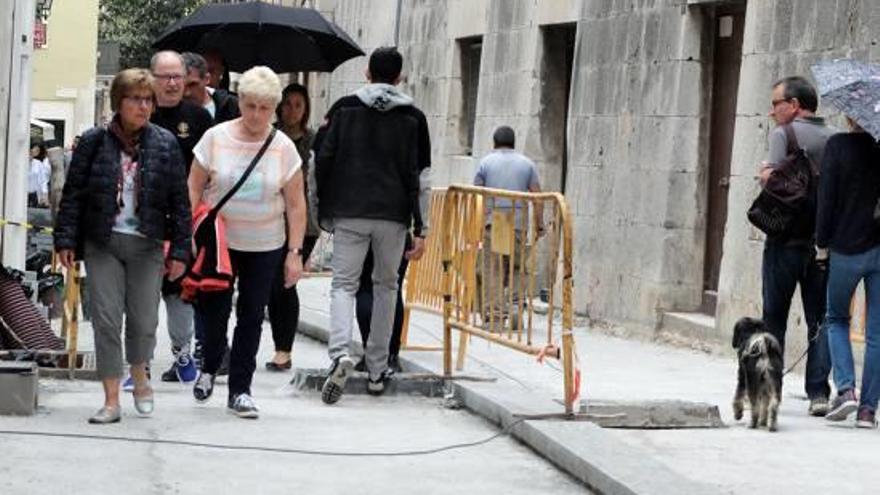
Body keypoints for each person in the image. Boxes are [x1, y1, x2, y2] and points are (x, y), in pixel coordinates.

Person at [53, 68, 191, 424]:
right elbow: (74, 195)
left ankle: (140, 374)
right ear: (119, 102)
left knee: (144, 320)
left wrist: (179, 251)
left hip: (146, 244)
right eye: (135, 99)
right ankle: (111, 399)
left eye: (148, 100)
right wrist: (65, 239)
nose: (143, 106)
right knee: (106, 319)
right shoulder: (93, 142)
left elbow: (180, 202)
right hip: (103, 242)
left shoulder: (165, 143)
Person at [188, 66, 306, 419]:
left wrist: (294, 253)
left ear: (274, 109)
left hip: (265, 243)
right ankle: (209, 367)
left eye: (265, 108)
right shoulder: (215, 137)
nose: (256, 115)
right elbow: (193, 185)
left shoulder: (283, 147)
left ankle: (240, 389)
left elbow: (297, 203)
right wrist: (189, 232)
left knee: (252, 315)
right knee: (214, 311)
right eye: (250, 106)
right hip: (220, 241)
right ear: (240, 101)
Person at [314, 47, 430, 404]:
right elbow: (422, 177)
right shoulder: (414, 117)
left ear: (367, 73)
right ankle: (378, 369)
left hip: (349, 211)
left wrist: (323, 208)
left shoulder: (343, 109)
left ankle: (339, 354)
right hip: (394, 216)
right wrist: (422, 228)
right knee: (386, 286)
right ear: (399, 77)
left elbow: (320, 158)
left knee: (344, 285)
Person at [758, 76, 835, 416]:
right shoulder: (835, 138)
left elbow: (773, 184)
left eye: (777, 103)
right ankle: (818, 393)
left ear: (795, 105)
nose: (773, 110)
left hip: (783, 241)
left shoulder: (783, 135)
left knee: (773, 316)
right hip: (820, 244)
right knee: (820, 318)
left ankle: (769, 388)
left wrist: (764, 175)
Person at [146, 50, 214, 386]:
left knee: (179, 290)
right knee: (141, 292)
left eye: (178, 77)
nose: (173, 83)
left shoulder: (199, 118)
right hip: (143, 221)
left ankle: (183, 355)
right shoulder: (139, 113)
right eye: (165, 77)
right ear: (152, 78)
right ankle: (139, 363)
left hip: (186, 219)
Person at [816, 116, 880, 428]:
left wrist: (821, 242)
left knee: (837, 318)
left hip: (846, 247)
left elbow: (826, 198)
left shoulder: (838, 146)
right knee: (877, 334)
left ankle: (846, 390)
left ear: (851, 115)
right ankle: (868, 411)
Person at [265, 83, 319, 371]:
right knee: (274, 286)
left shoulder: (315, 140)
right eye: (287, 104)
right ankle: (280, 347)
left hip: (304, 223)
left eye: (299, 104)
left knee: (286, 284)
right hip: (271, 218)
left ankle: (283, 351)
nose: (292, 110)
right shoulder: (269, 136)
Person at [474, 126, 543, 330]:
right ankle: (515, 308)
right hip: (518, 223)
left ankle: (495, 317)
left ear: (494, 143)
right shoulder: (527, 164)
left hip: (494, 222)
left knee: (493, 269)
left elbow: (476, 194)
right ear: (514, 143)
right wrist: (539, 224)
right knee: (517, 267)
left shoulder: (486, 162)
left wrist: (476, 225)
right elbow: (538, 197)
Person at [181, 51, 240, 124]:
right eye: (181, 86)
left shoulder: (232, 106)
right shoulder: (168, 110)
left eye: (193, 85)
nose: (187, 93)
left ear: (206, 79)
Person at [28, 143, 50, 207]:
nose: (37, 151)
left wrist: (44, 195)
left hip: (34, 194)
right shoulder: (22, 162)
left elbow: (43, 180)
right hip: (22, 194)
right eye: (36, 149)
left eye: (38, 150)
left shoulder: (38, 163)